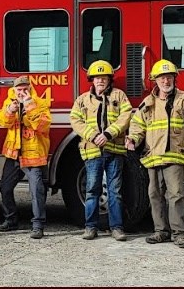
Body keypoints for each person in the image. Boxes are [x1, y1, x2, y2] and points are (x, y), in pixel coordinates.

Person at [125, 59, 184, 249]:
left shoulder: (183, 98)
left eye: (169, 78)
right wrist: (133, 140)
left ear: (174, 79)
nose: (166, 82)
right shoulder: (148, 102)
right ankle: (161, 231)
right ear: (155, 80)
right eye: (162, 78)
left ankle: (179, 233)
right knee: (154, 194)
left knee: (175, 194)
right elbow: (138, 126)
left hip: (175, 155)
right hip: (153, 156)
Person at [70, 60, 133, 241]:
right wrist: (92, 135)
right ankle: (90, 227)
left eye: (104, 78)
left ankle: (117, 228)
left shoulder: (119, 96)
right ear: (92, 80)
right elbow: (75, 119)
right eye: (97, 78)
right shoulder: (82, 100)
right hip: (92, 152)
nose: (100, 81)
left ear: (109, 80)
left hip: (114, 151)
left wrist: (108, 134)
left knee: (115, 191)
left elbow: (126, 116)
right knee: (92, 191)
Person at [0, 75, 52, 239]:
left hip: (33, 154)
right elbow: (2, 121)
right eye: (19, 89)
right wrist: (9, 111)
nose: (22, 92)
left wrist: (30, 106)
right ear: (14, 90)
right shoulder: (9, 102)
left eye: (25, 89)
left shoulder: (40, 103)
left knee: (36, 191)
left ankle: (38, 225)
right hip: (14, 153)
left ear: (30, 89)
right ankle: (11, 219)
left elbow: (43, 125)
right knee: (5, 187)